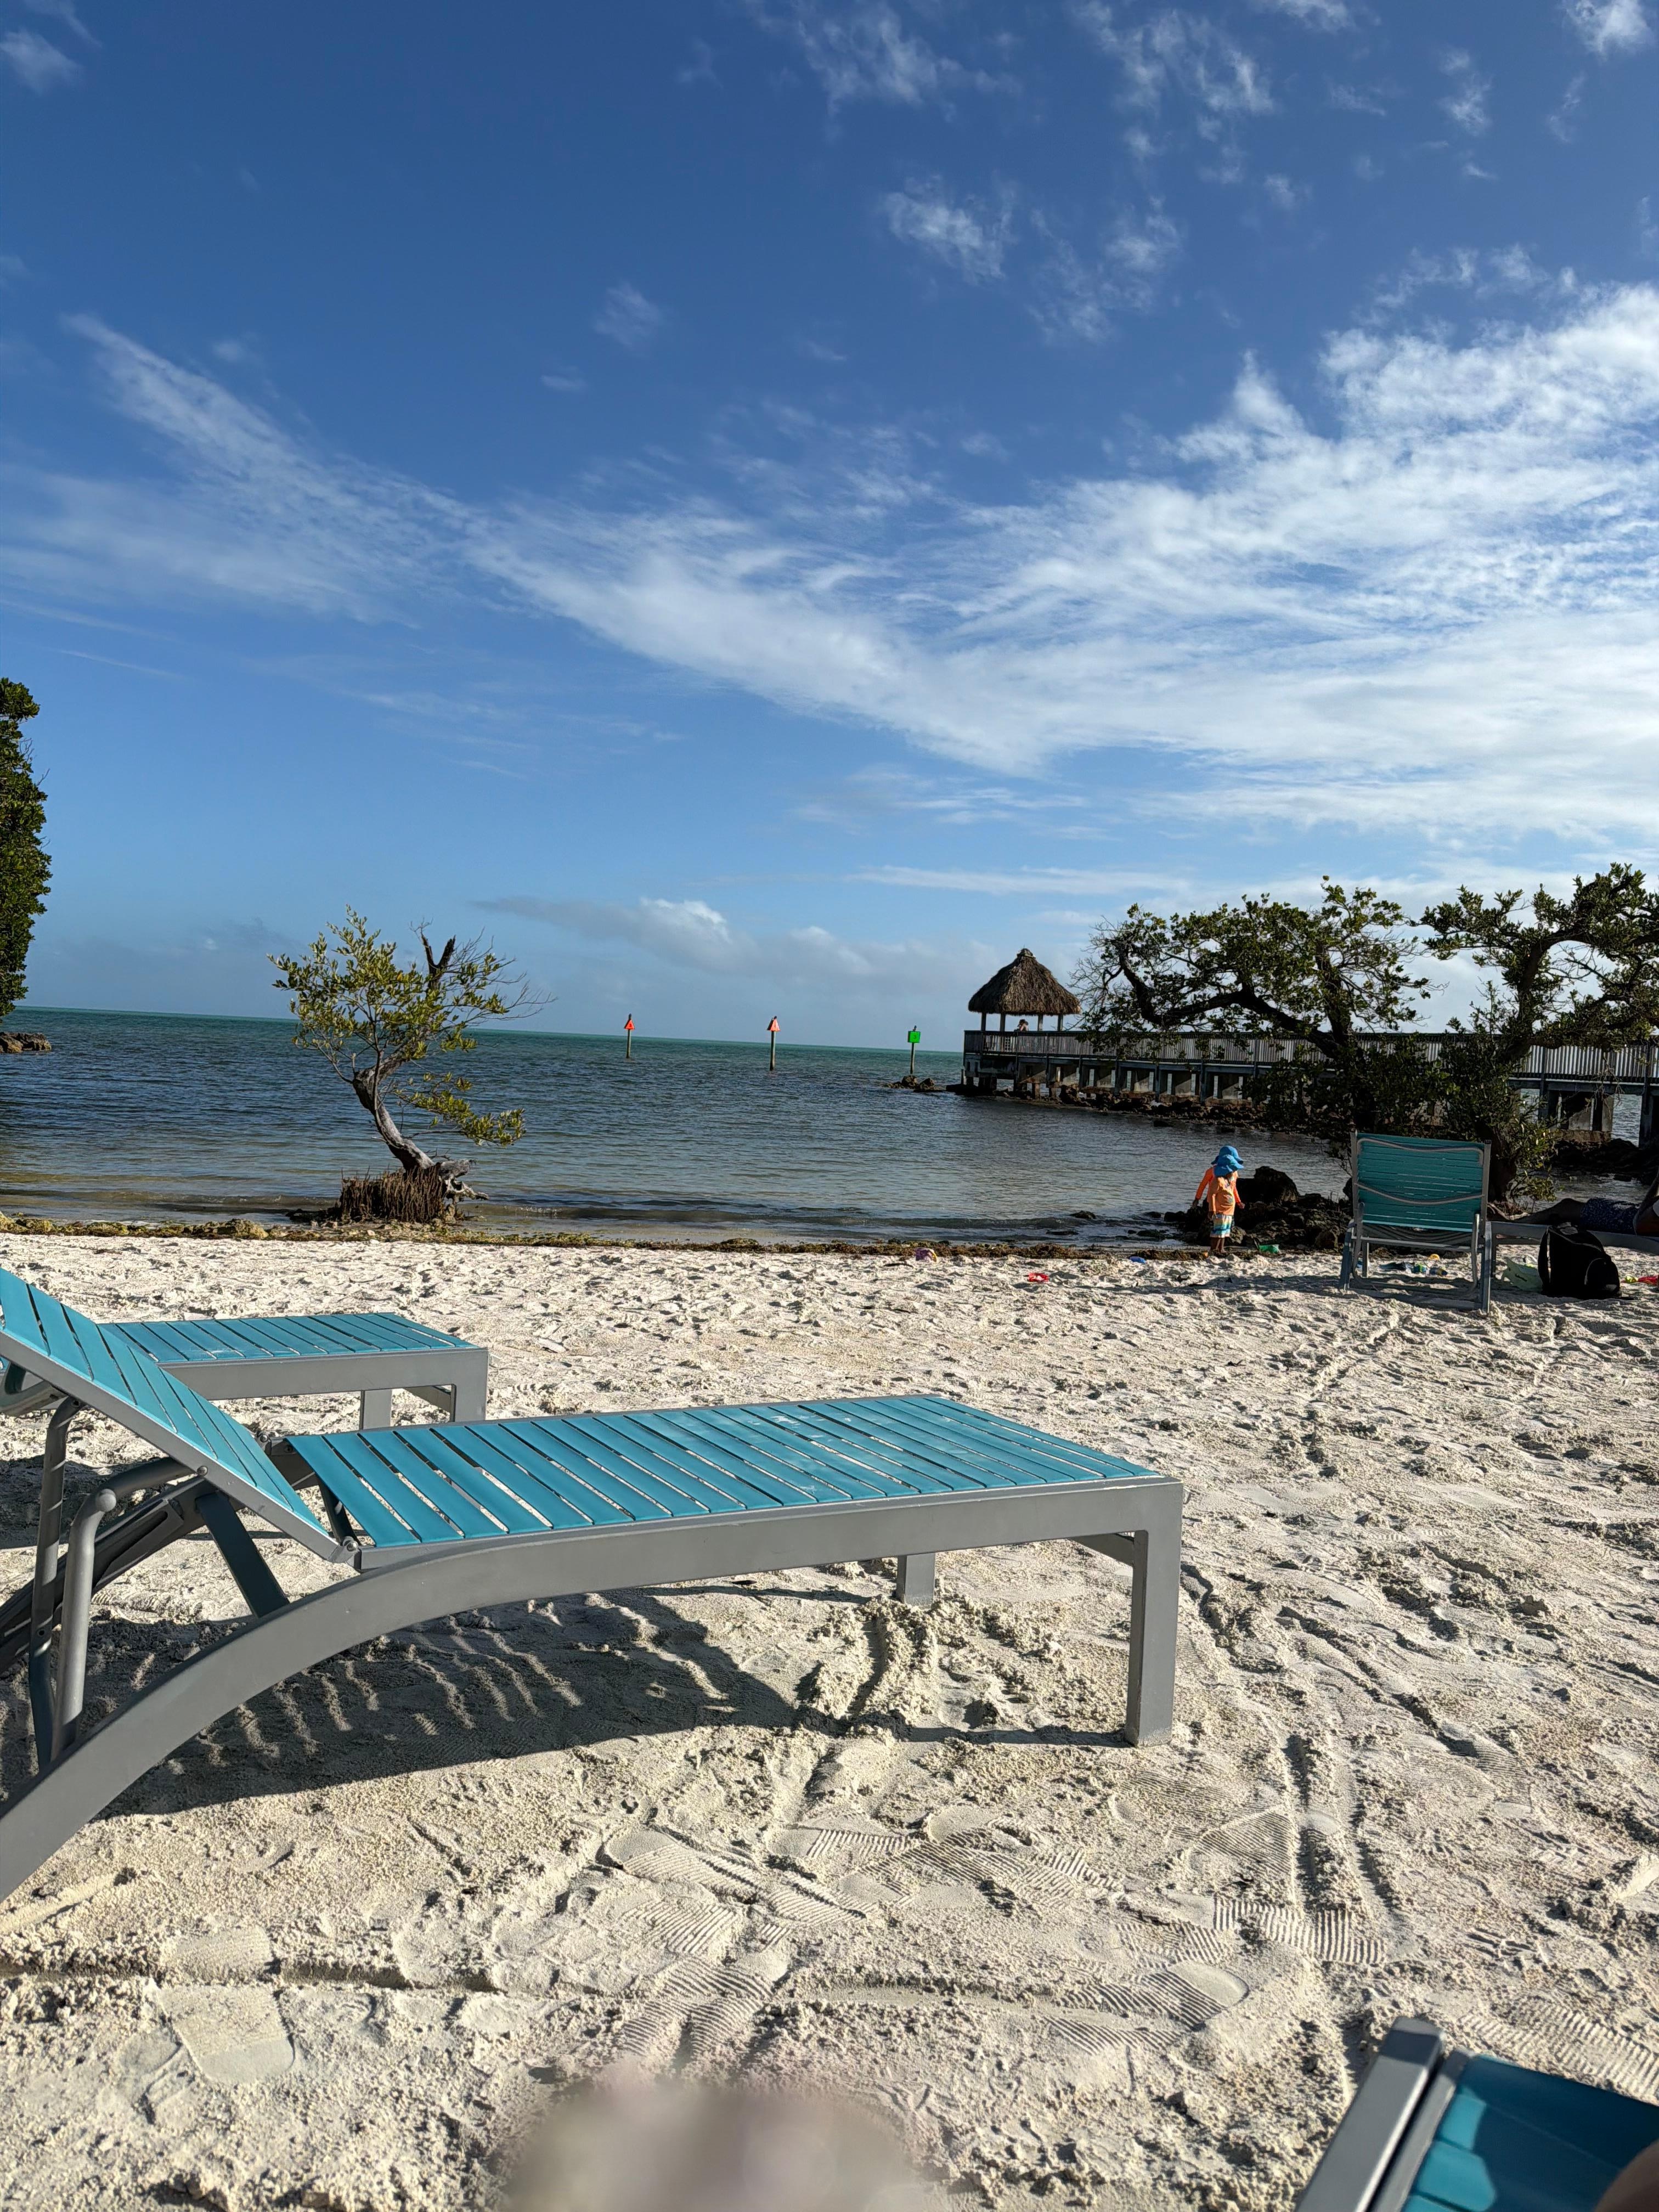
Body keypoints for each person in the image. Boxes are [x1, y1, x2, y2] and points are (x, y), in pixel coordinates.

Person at [1526, 1167, 1659, 1239]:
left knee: (1568, 1207)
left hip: (1626, 1222)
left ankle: (1516, 1225)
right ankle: (1518, 1223)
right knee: (1569, 1208)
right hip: (1633, 1214)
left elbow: (1639, 1226)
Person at [1194, 1146, 1244, 1256]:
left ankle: (1221, 1249)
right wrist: (1197, 1198)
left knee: (1226, 1229)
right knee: (1217, 1228)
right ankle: (1214, 1249)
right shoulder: (1213, 1173)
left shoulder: (1234, 1174)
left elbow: (1233, 1188)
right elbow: (1203, 1186)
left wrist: (1238, 1201)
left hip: (1229, 1207)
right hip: (1215, 1204)